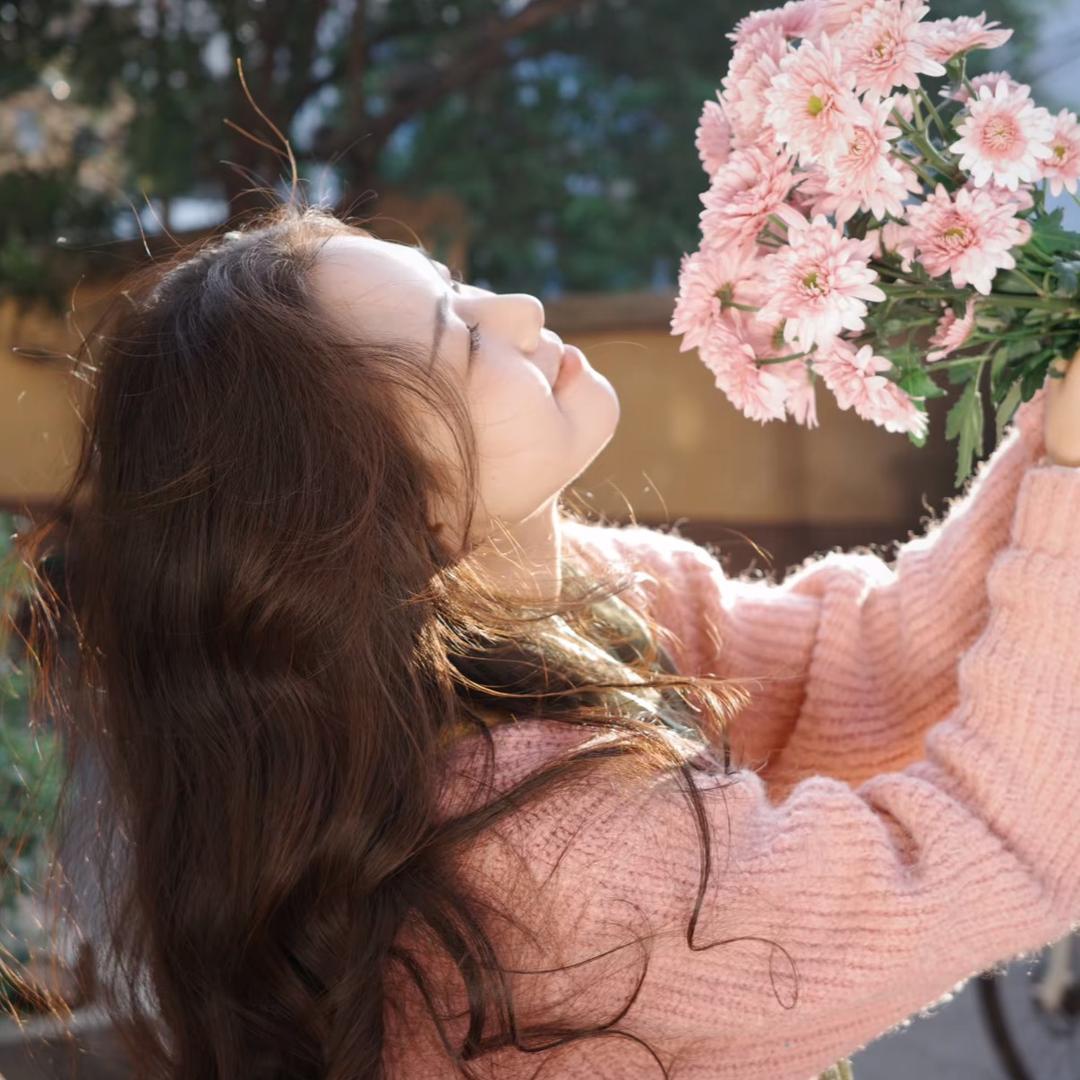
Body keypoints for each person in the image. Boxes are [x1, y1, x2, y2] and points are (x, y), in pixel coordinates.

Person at [7, 196, 1080, 1080]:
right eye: (463, 336)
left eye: (467, 289)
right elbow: (990, 848)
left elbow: (859, 659)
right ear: (381, 509)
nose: (518, 307)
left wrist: (1052, 446)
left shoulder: (579, 594)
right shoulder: (550, 859)